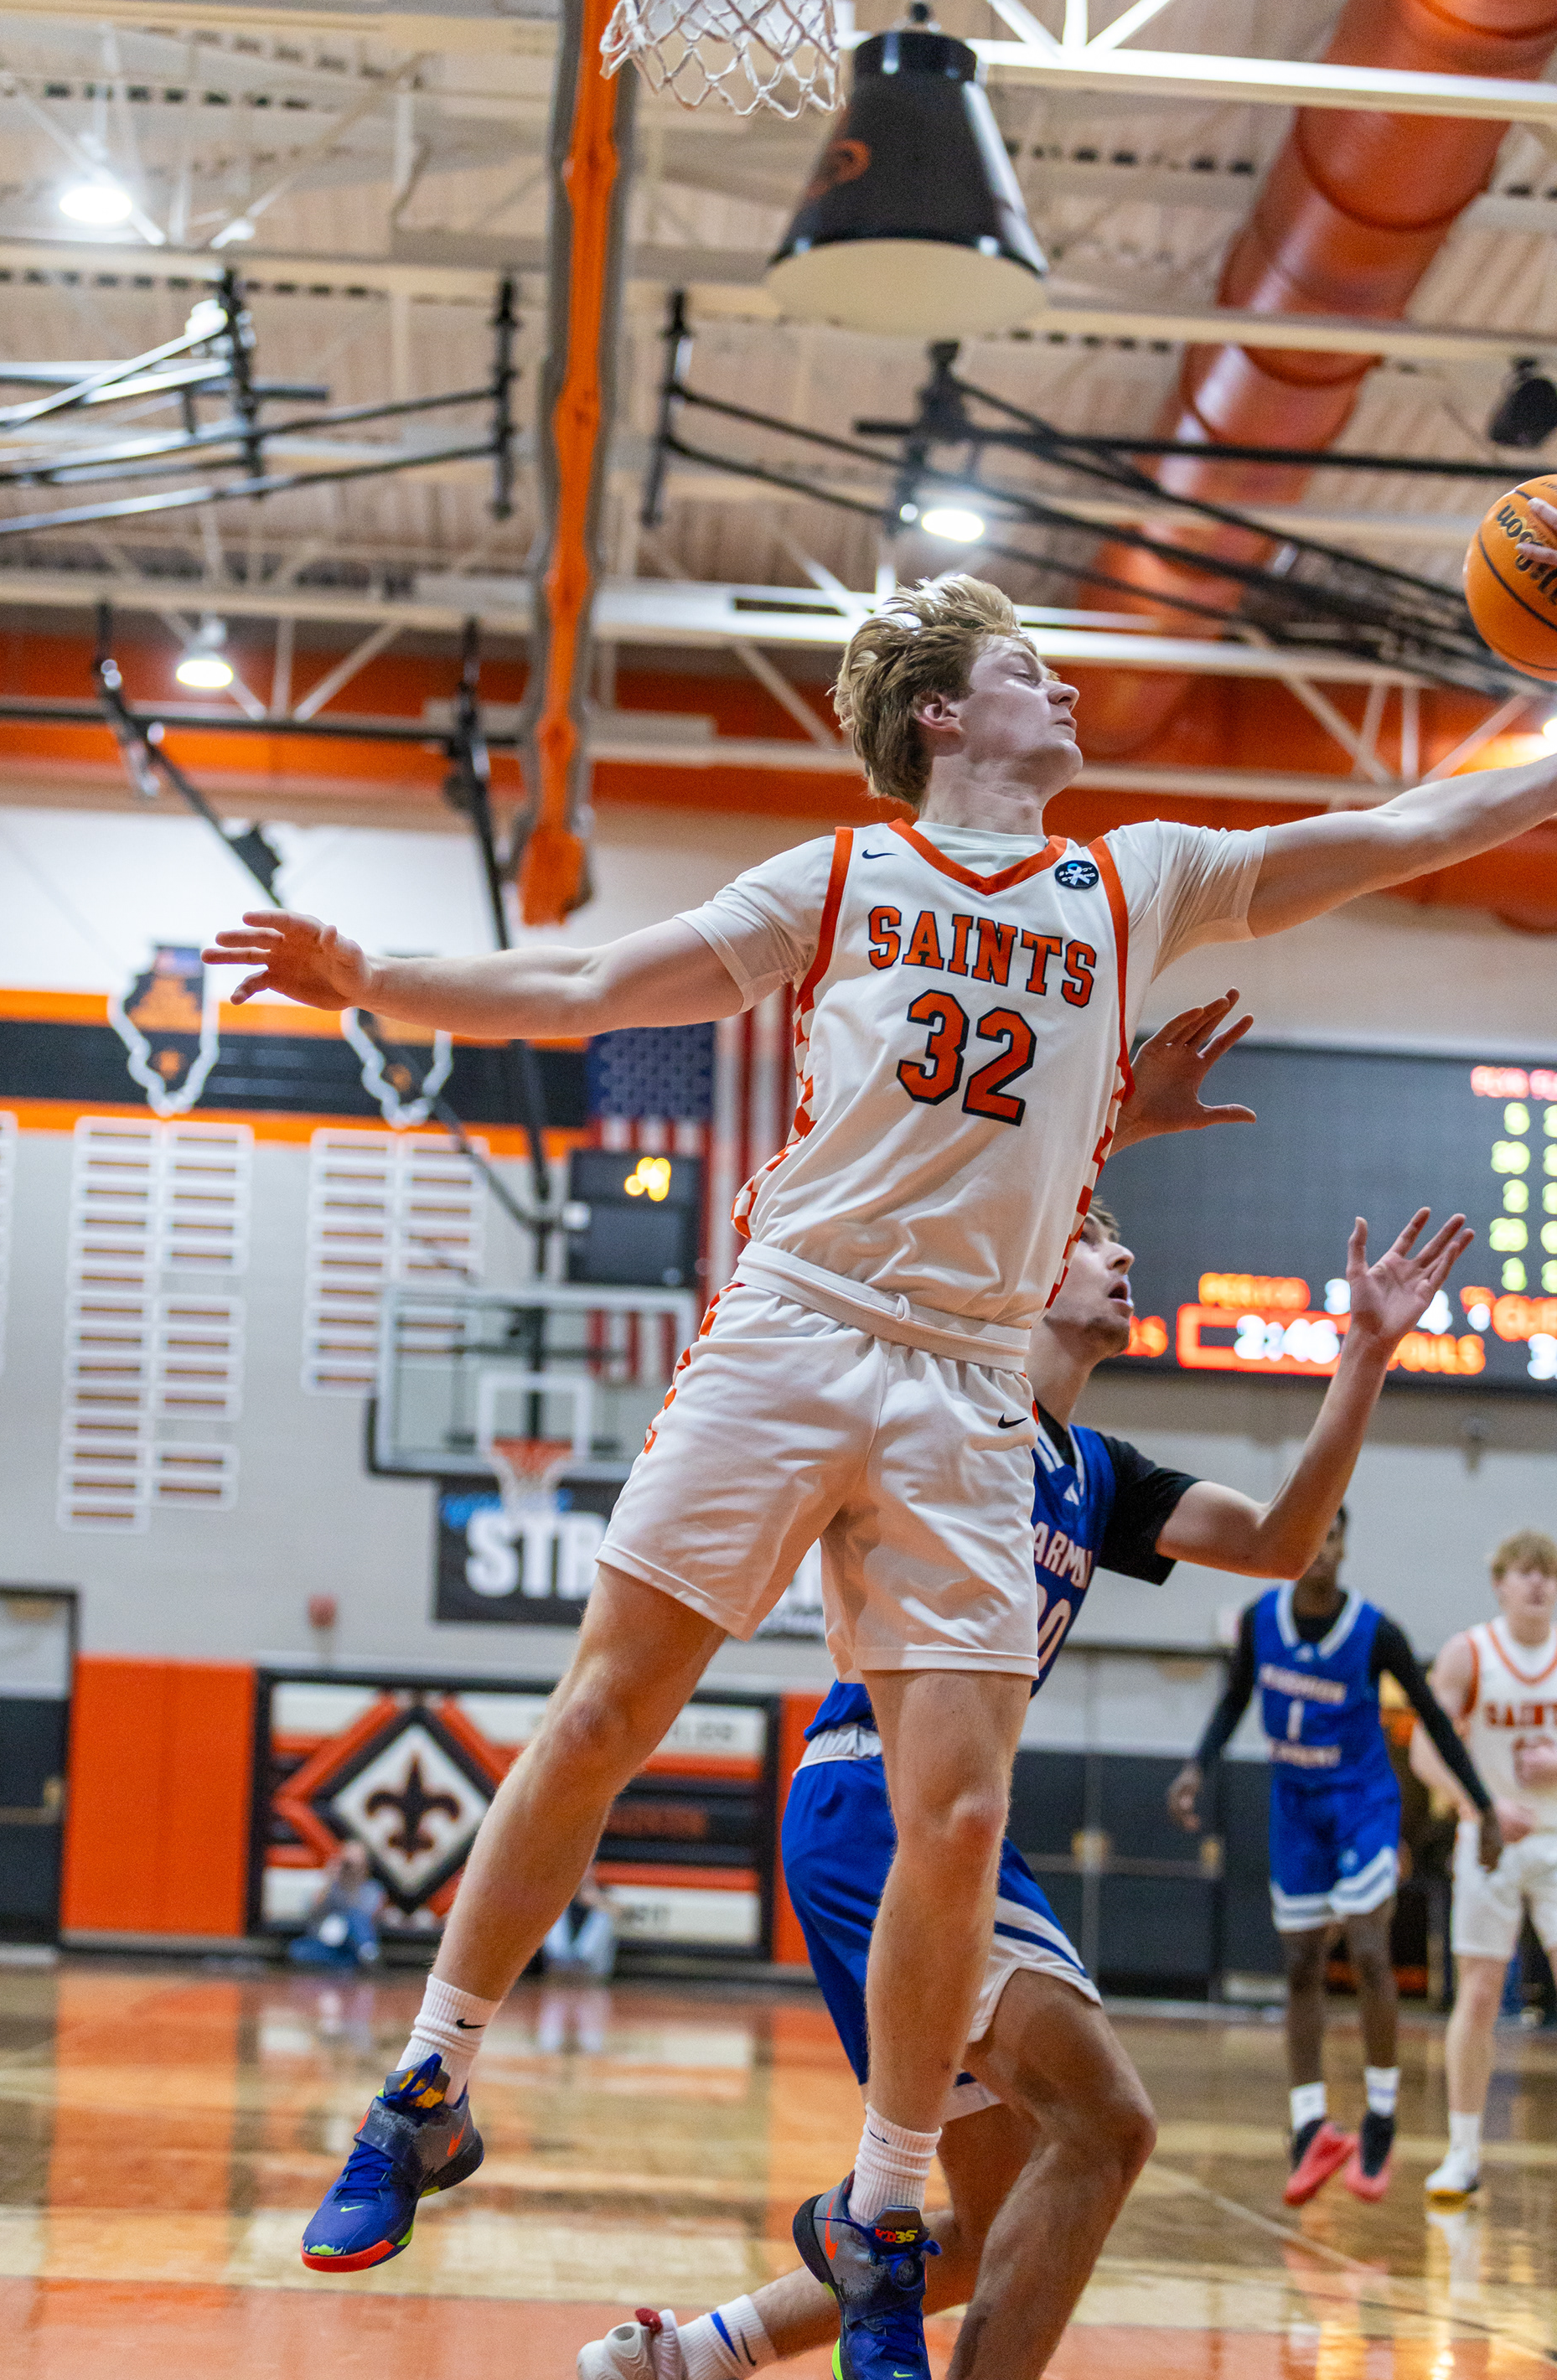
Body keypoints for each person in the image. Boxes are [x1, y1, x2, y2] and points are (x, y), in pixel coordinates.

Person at [207, 572, 1557, 2372]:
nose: (1061, 689)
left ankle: (886, 2208)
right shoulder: (841, 878)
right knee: (605, 1708)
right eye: (1025, 668)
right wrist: (376, 978)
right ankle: (426, 2086)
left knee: (967, 1816)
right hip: (798, 1322)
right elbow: (591, 984)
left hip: (968, 1379)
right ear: (941, 713)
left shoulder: (1133, 881)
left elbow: (1402, 830)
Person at [578, 1192, 1471, 2380]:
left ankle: (685, 2358)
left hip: (928, 1824)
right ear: (1021, 1273)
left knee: (999, 2224)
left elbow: (1277, 1543)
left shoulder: (1098, 1473)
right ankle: (851, 2230)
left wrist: (1361, 1358)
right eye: (1090, 1237)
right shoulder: (944, 1402)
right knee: (1107, 2125)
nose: (1125, 1251)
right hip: (880, 1803)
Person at [1167, 1516, 1501, 2207]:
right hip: (1295, 1806)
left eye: (1333, 1538)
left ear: (1345, 1547)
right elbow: (1234, 1698)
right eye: (1311, 1536)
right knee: (1300, 1965)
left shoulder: (1377, 1632)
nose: (1321, 1551)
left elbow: (1434, 1719)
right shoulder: (1259, 1621)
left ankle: (1381, 2114)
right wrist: (1197, 1767)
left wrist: (1485, 1807)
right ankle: (1308, 2125)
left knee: (1371, 1950)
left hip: (1361, 1802)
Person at [1409, 1528, 1557, 2202]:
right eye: (1525, 1571)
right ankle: (1463, 2153)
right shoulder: (1470, 1653)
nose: (1539, 1583)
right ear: (1500, 1584)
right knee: (1478, 1992)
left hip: (1554, 1838)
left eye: (1548, 1573)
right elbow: (1425, 1752)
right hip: (1489, 1839)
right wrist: (1482, 1806)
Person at [287, 1843, 385, 1970]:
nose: (349, 1867)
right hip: (328, 1942)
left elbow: (367, 1916)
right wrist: (329, 1880)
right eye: (346, 1862)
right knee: (297, 1950)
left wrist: (352, 1885)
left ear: (365, 1866)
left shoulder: (372, 1889)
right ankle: (348, 1962)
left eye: (354, 1863)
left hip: (354, 1943)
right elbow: (310, 1911)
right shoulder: (331, 1886)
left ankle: (367, 1954)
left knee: (355, 1917)